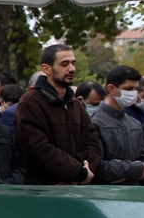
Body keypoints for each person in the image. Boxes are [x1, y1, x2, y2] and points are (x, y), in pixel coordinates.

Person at [15, 45, 102, 185]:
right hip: (46, 191)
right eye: (65, 64)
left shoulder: (75, 105)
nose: (72, 69)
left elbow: (92, 142)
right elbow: (37, 149)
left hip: (78, 187)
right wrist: (75, 172)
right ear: (46, 69)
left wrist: (82, 171)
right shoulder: (31, 103)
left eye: (73, 63)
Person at [91, 65, 144, 185]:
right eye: (128, 89)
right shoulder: (94, 121)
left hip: (132, 195)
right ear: (111, 89)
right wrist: (133, 170)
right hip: (104, 196)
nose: (133, 93)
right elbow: (95, 166)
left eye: (135, 89)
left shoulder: (134, 123)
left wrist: (124, 169)